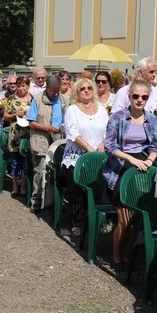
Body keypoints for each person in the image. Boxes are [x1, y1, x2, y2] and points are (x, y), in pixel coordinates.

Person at [103, 78, 157, 271]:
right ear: (129, 97)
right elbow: (110, 146)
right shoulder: (118, 117)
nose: (139, 100)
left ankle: (127, 254)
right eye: (135, 96)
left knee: (136, 219)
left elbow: (156, 146)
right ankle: (116, 256)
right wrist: (131, 159)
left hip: (142, 167)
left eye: (144, 97)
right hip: (120, 168)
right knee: (124, 219)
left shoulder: (152, 119)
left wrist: (150, 160)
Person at [60, 77, 108, 227]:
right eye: (82, 88)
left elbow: (109, 130)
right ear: (76, 92)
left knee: (103, 182)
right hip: (76, 156)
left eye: (89, 88)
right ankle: (78, 222)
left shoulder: (101, 110)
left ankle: (98, 219)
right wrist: (88, 148)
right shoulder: (72, 110)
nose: (86, 90)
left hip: (98, 156)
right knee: (78, 184)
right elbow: (72, 132)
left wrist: (103, 142)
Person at [28, 75, 64, 214]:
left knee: (56, 173)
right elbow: (31, 122)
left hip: (58, 141)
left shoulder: (63, 100)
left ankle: (53, 203)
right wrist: (47, 128)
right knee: (40, 171)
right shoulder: (37, 99)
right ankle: (36, 202)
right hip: (41, 140)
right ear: (47, 88)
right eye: (53, 91)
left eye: (58, 91)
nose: (56, 94)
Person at [2, 76, 33, 197]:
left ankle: (24, 186)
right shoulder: (11, 99)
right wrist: (16, 115)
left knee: (26, 160)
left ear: (28, 86)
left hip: (28, 132)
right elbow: (5, 116)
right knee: (15, 160)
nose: (21, 88)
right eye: (19, 85)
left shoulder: (33, 100)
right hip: (15, 132)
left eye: (23, 85)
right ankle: (15, 186)